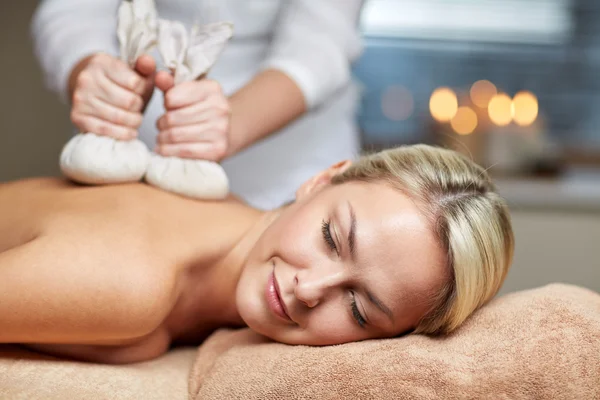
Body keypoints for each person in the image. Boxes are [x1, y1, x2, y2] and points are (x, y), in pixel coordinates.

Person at [0, 144, 514, 364]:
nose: (309, 290)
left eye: (358, 309)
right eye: (332, 238)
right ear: (321, 179)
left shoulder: (220, 218)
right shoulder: (131, 285)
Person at [31, 0, 365, 209]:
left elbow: (321, 42)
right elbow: (72, 11)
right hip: (138, 140)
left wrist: (229, 123)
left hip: (290, 162)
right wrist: (95, 75)